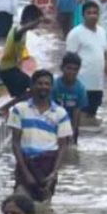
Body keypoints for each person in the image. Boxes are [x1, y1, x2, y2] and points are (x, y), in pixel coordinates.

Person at [8, 70, 72, 203]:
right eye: (40, 83)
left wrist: (54, 173)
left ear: (52, 87)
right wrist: (25, 173)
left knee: (43, 208)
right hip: (25, 164)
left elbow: (63, 146)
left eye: (47, 84)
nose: (43, 87)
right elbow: (15, 142)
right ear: (32, 86)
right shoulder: (19, 110)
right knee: (20, 202)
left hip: (47, 166)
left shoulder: (60, 113)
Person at [65, 0, 107, 119]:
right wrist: (68, 85)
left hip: (97, 86)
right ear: (83, 15)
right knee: (79, 118)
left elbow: (105, 59)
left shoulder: (102, 32)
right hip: (80, 85)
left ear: (99, 15)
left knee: (91, 118)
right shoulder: (75, 34)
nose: (92, 15)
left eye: (95, 13)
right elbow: (68, 62)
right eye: (89, 13)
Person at [0, 5, 43, 114]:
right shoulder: (18, 31)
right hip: (8, 70)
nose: (37, 26)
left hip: (11, 69)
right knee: (34, 87)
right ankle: (4, 108)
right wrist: (35, 22)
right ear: (30, 20)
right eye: (36, 23)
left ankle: (10, 109)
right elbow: (22, 30)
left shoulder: (20, 31)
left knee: (28, 91)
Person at [51, 52, 88, 143]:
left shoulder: (80, 89)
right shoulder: (54, 86)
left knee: (71, 148)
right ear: (62, 68)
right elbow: (49, 108)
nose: (71, 72)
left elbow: (77, 113)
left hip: (71, 122)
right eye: (69, 68)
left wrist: (73, 131)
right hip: (54, 122)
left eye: (75, 69)